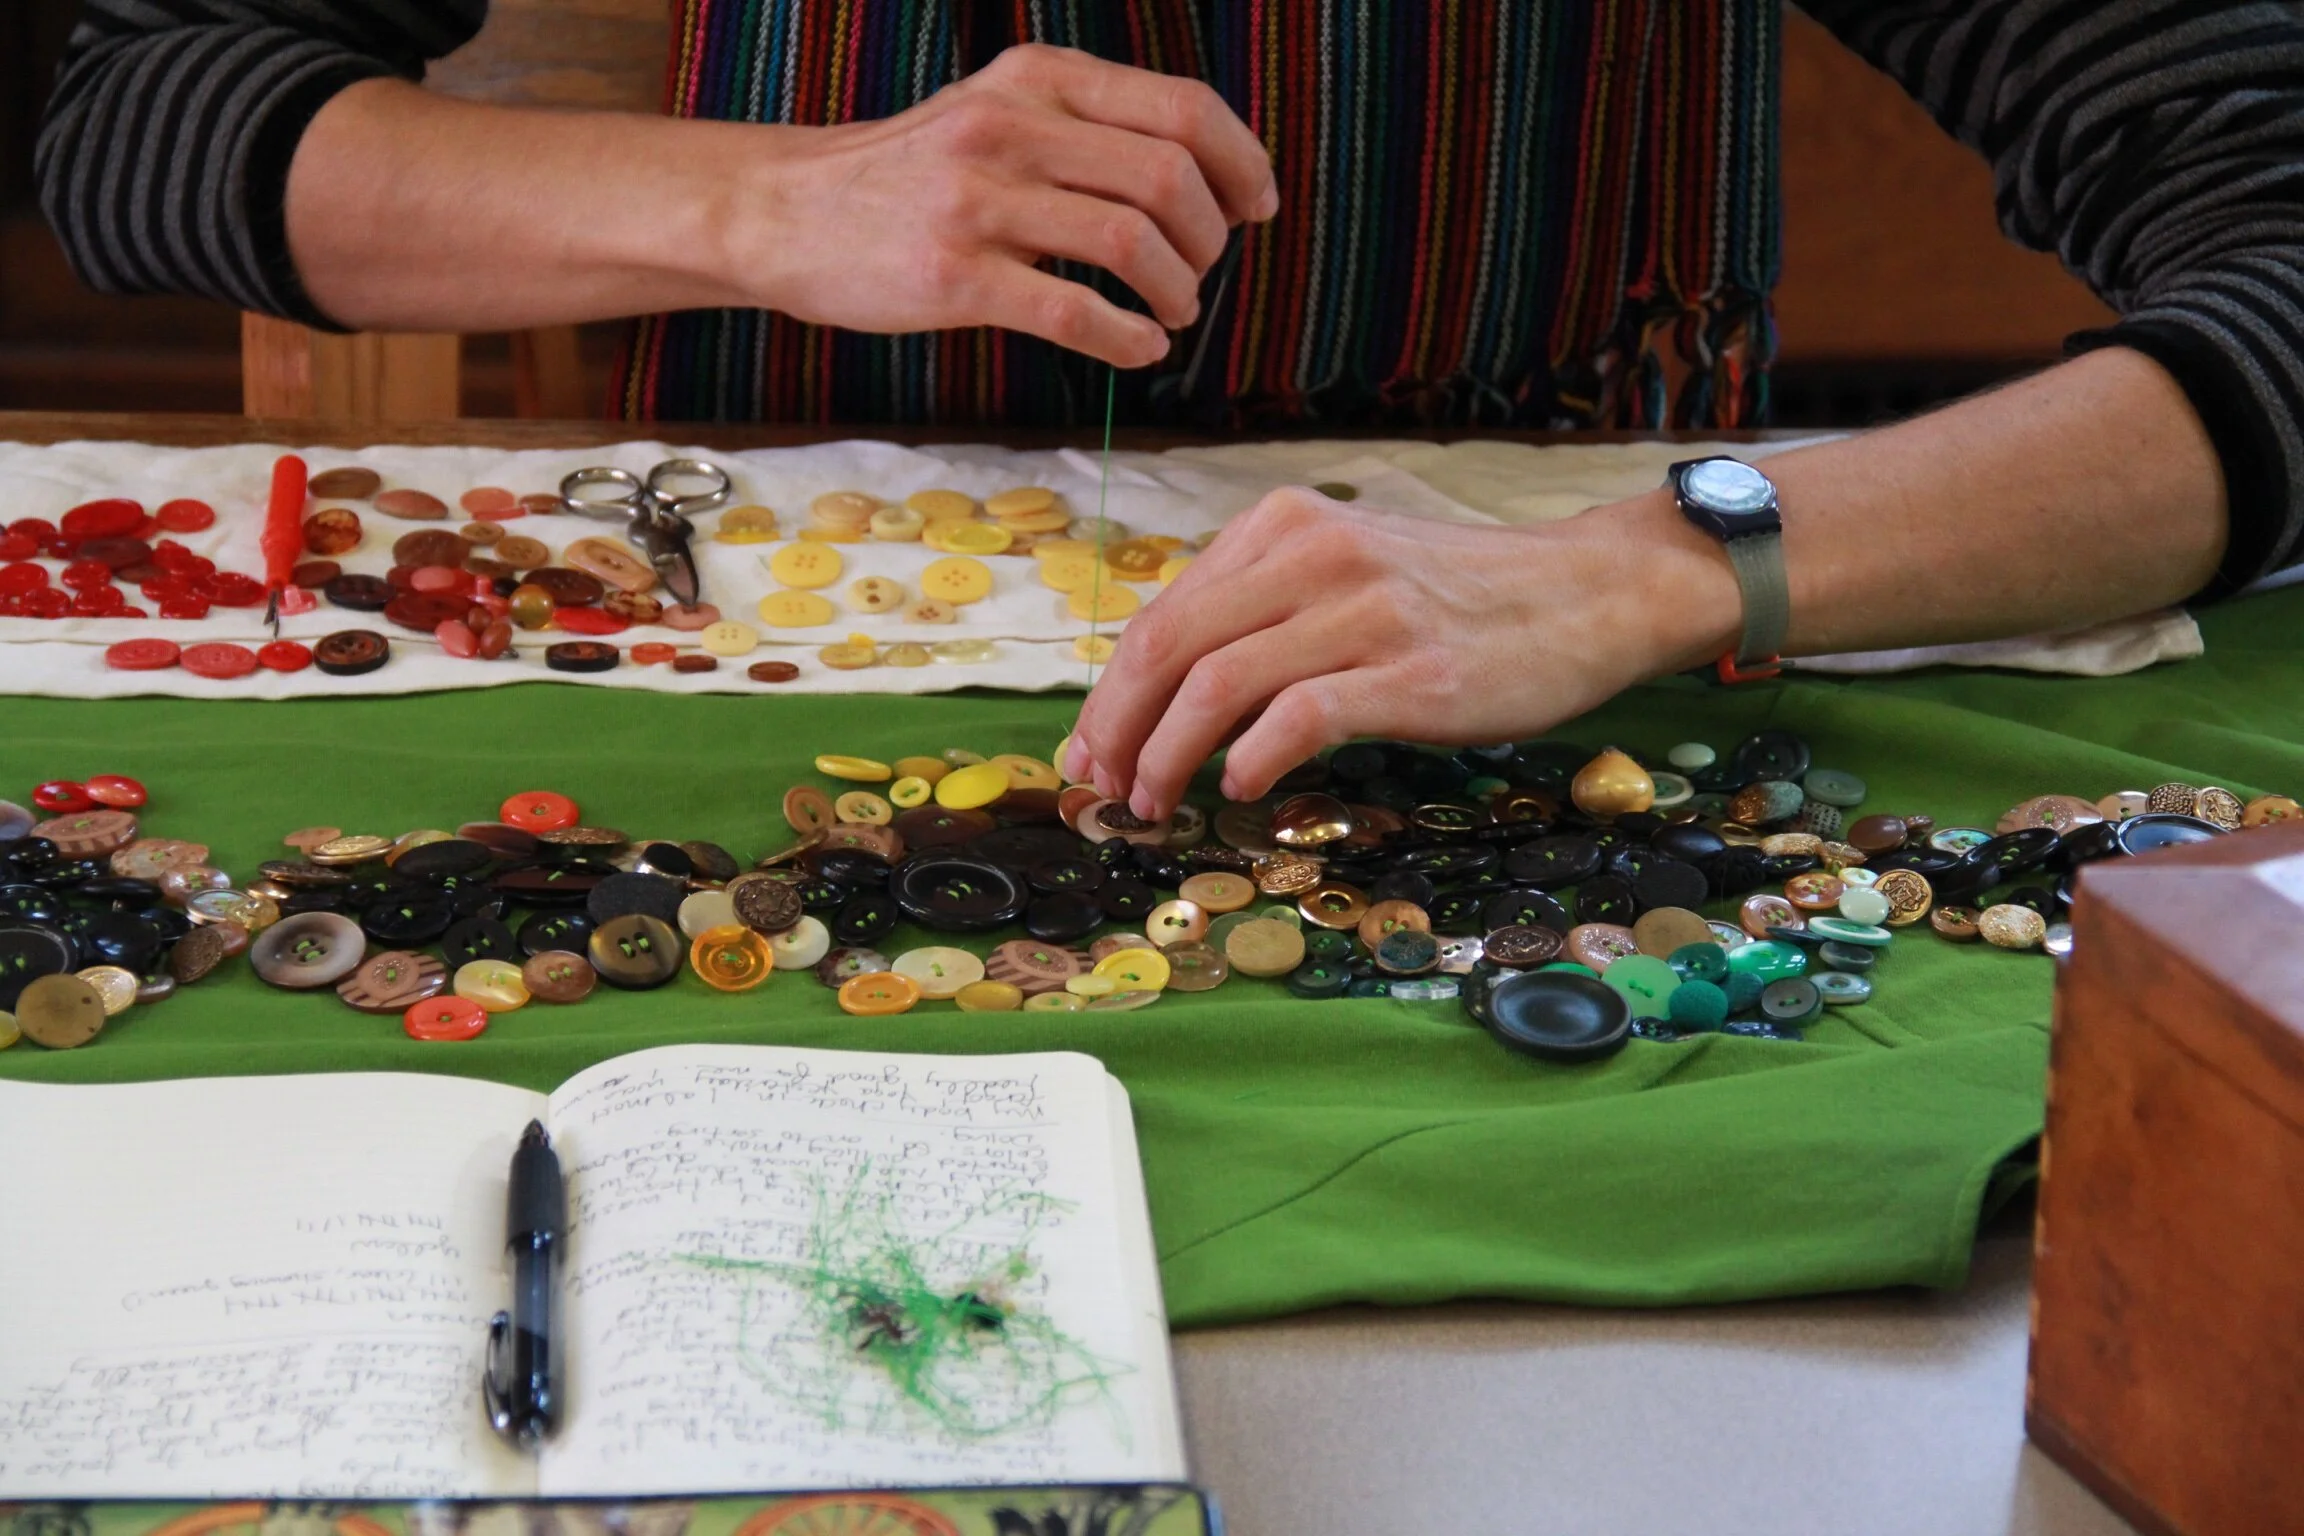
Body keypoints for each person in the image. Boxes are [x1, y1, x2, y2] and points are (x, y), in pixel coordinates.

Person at [38, 3, 2304, 817]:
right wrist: (778, 197)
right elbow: (141, 115)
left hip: (1553, 720)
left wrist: (1656, 557)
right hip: (756, 695)